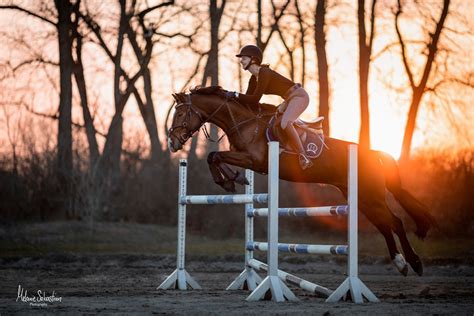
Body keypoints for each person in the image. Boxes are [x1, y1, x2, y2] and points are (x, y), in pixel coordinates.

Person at [226, 44, 313, 170]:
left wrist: (234, 94)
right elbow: (249, 103)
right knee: (274, 121)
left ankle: (303, 156)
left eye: (244, 58)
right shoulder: (253, 79)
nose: (241, 61)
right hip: (288, 99)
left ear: (253, 59)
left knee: (285, 123)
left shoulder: (264, 72)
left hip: (299, 96)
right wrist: (230, 100)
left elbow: (255, 98)